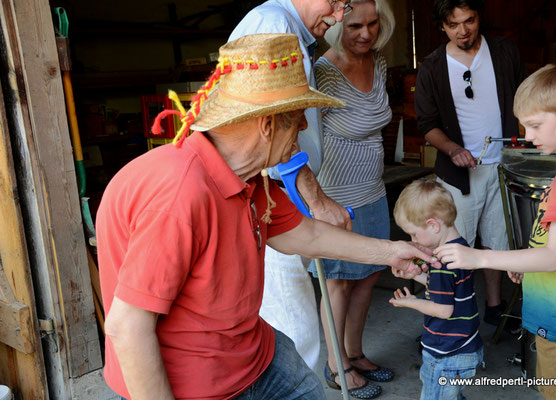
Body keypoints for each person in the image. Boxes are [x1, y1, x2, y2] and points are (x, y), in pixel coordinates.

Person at [97, 33, 437, 400]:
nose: (305, 128)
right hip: (194, 385)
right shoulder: (179, 193)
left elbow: (307, 235)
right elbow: (128, 327)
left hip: (253, 353)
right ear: (266, 125)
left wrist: (391, 252)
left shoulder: (248, 177)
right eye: (297, 119)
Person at [435, 63, 556, 400]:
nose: (527, 135)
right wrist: (525, 261)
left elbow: (555, 256)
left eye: (535, 125)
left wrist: (479, 257)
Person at [229, 0, 354, 371]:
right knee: (296, 335)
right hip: (271, 194)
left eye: (345, 5)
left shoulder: (288, 27)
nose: (338, 17)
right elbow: (275, 121)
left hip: (281, 193)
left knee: (297, 331)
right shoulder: (274, 24)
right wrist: (317, 199)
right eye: (334, 2)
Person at [414, 0, 527, 330]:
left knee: (496, 243)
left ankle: (494, 306)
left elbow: (523, 97)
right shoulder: (433, 66)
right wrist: (452, 150)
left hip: (502, 167)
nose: (463, 30)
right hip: (458, 174)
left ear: (479, 18)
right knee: (453, 248)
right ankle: (451, 318)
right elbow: (427, 124)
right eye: (454, 25)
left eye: (470, 21)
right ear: (442, 27)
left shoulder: (504, 51)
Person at [306, 0, 395, 396]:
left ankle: (355, 353)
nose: (365, 33)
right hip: (336, 196)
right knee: (339, 282)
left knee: (369, 274)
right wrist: (315, 199)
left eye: (373, 24)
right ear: (339, 23)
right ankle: (335, 364)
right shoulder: (322, 72)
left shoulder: (379, 63)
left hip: (373, 189)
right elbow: (304, 141)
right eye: (356, 25)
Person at [389, 179, 483, 400]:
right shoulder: (460, 249)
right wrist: (417, 275)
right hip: (465, 346)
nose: (413, 241)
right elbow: (449, 291)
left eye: (413, 234)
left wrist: (409, 302)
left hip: (446, 354)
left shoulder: (441, 262)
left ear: (433, 225)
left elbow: (442, 309)